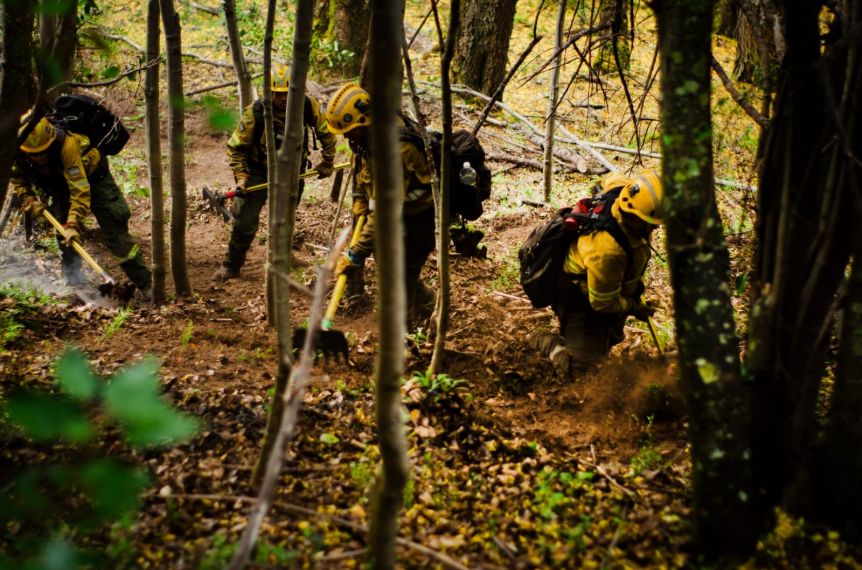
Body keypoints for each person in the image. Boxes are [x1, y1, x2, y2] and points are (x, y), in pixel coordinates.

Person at [530, 171, 664, 375]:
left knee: (605, 341)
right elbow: (603, 303)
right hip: (581, 299)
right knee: (579, 372)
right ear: (636, 218)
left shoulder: (624, 190)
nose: (654, 229)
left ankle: (592, 345)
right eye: (652, 224)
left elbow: (607, 178)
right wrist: (634, 308)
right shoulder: (608, 250)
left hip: (608, 285)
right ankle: (544, 340)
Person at [212, 64, 337, 282]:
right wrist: (242, 178)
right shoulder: (256, 113)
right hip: (258, 171)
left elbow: (326, 132)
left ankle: (284, 258)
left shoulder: (307, 106)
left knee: (285, 218)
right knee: (245, 220)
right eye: (276, 94)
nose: (281, 99)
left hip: (293, 171)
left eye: (286, 94)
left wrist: (328, 160)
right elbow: (236, 148)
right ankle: (231, 265)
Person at [324, 83, 436, 325]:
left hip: (419, 219)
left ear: (365, 122)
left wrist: (354, 254)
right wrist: (359, 205)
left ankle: (406, 333)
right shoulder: (367, 139)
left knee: (399, 281)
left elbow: (383, 213)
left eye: (349, 130)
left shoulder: (395, 151)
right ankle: (425, 302)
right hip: (399, 214)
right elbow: (364, 176)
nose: (345, 137)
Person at [11, 112, 152, 296]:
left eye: (43, 152)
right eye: (34, 154)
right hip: (60, 186)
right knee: (64, 237)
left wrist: (73, 223)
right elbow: (16, 179)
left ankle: (147, 285)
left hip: (94, 179)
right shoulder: (18, 148)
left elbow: (80, 190)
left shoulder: (66, 145)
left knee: (114, 230)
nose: (39, 158)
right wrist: (28, 198)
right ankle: (75, 284)